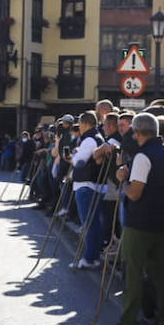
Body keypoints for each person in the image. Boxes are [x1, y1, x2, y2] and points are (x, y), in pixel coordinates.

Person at [100, 112, 164, 325]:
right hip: (160, 222)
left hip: (140, 224)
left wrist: (122, 178)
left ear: (137, 132)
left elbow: (134, 193)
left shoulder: (143, 156)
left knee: (133, 276)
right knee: (159, 275)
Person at [68, 112, 108, 269]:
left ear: (84, 124)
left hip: (86, 185)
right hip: (93, 186)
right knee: (95, 224)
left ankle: (89, 258)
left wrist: (74, 155)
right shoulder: (97, 137)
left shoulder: (89, 139)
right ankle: (94, 256)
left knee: (89, 224)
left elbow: (79, 161)